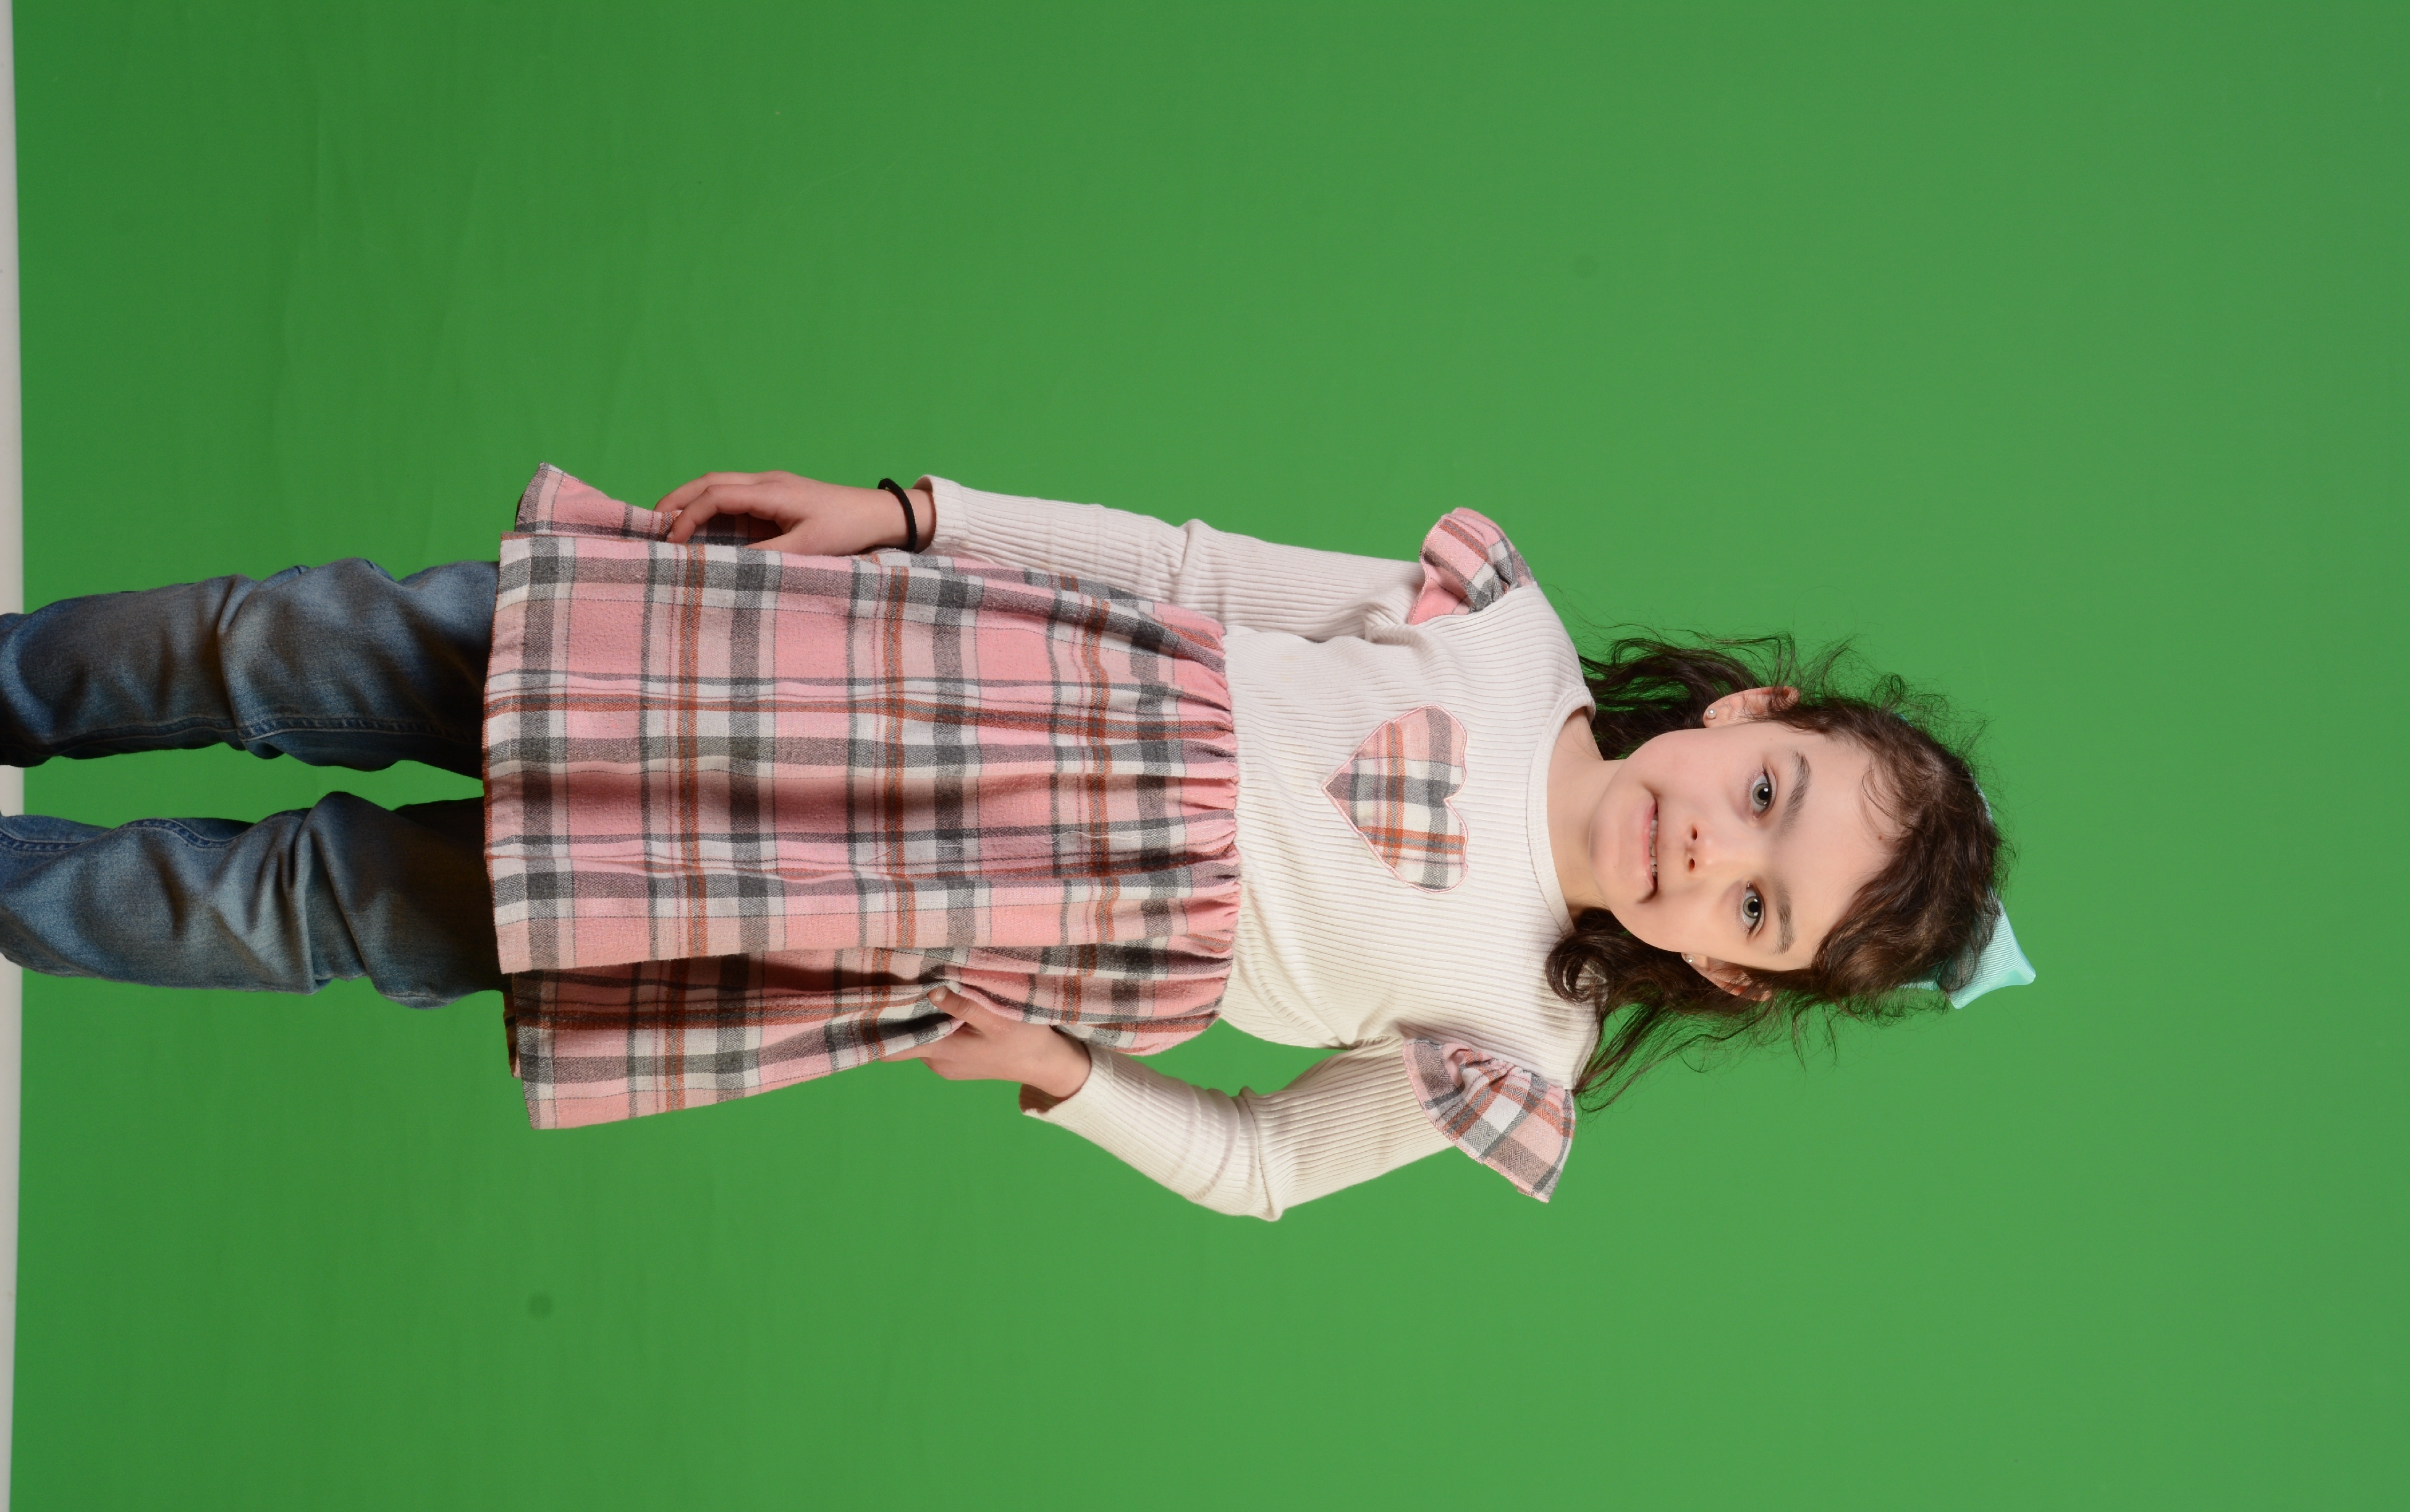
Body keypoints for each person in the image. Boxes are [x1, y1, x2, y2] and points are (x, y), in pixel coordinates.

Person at [0, 465, 2029, 1218]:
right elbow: (1183, 566)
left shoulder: (1518, 1040)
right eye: (1765, 797)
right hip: (876, 669)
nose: (1709, 851)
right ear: (1751, 714)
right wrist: (909, 516)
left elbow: (1265, 1167)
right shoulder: (1492, 629)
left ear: (1733, 968)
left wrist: (1072, 1080)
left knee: (332, 905)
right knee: (328, 646)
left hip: (872, 902)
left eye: (1756, 906)